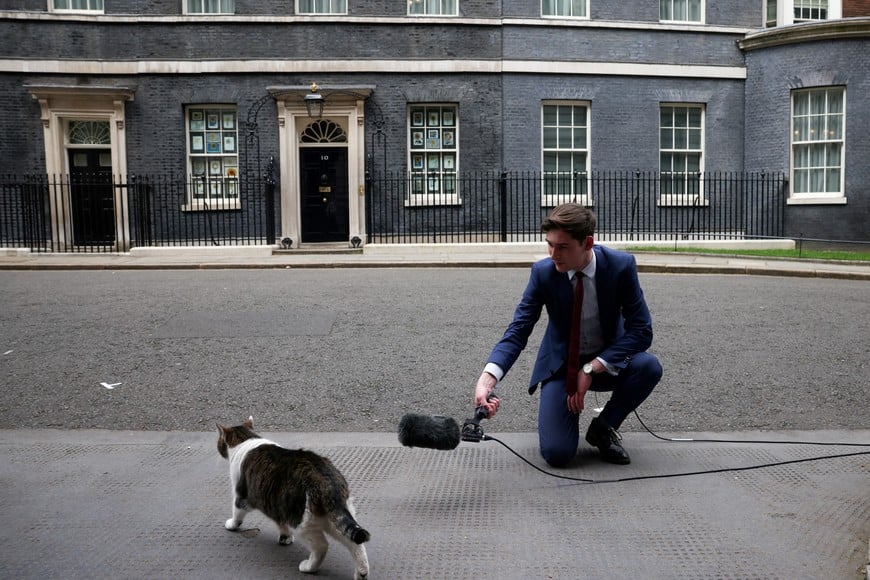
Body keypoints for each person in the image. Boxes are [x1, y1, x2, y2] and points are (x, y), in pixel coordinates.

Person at [474, 203, 662, 467]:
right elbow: (519, 329)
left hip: (608, 363)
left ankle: (604, 427)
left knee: (649, 366)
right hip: (562, 367)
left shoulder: (620, 266)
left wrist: (592, 368)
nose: (553, 254)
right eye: (549, 244)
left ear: (587, 242)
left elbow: (642, 331)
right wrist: (488, 378)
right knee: (558, 454)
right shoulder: (543, 273)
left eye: (562, 247)